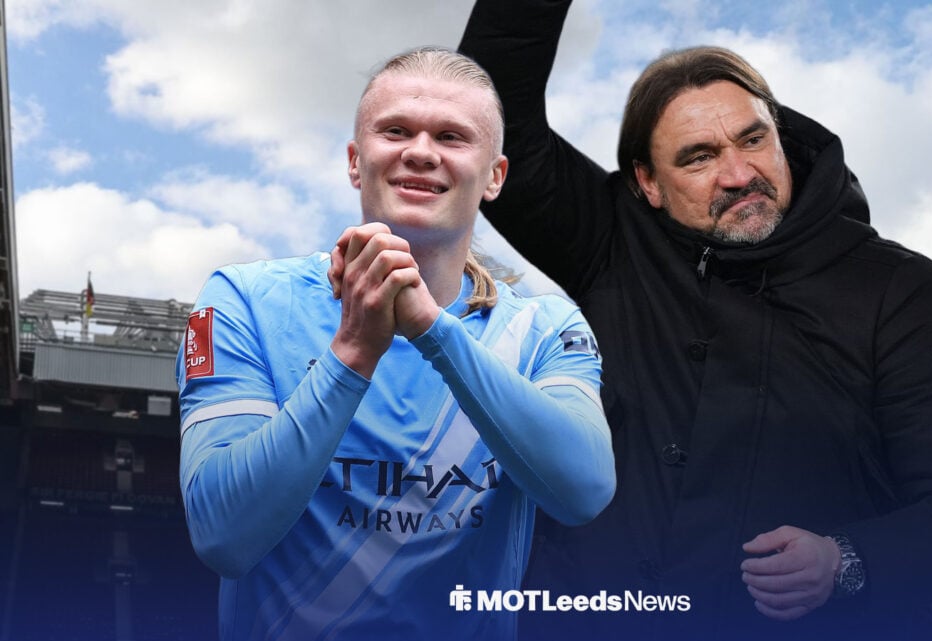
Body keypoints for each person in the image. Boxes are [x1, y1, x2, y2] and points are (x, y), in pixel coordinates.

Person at [459, 1, 932, 639]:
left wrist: (845, 560)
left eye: (753, 140)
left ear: (780, 137)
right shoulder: (610, 237)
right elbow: (494, 106)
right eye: (698, 157)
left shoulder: (894, 287)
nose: (738, 174)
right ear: (648, 183)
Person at [176, 46, 615, 641]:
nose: (422, 152)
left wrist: (433, 329)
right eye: (396, 131)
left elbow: (584, 491)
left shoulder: (544, 328)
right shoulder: (243, 299)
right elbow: (223, 535)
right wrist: (353, 351)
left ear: (495, 177)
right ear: (355, 162)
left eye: (452, 136)